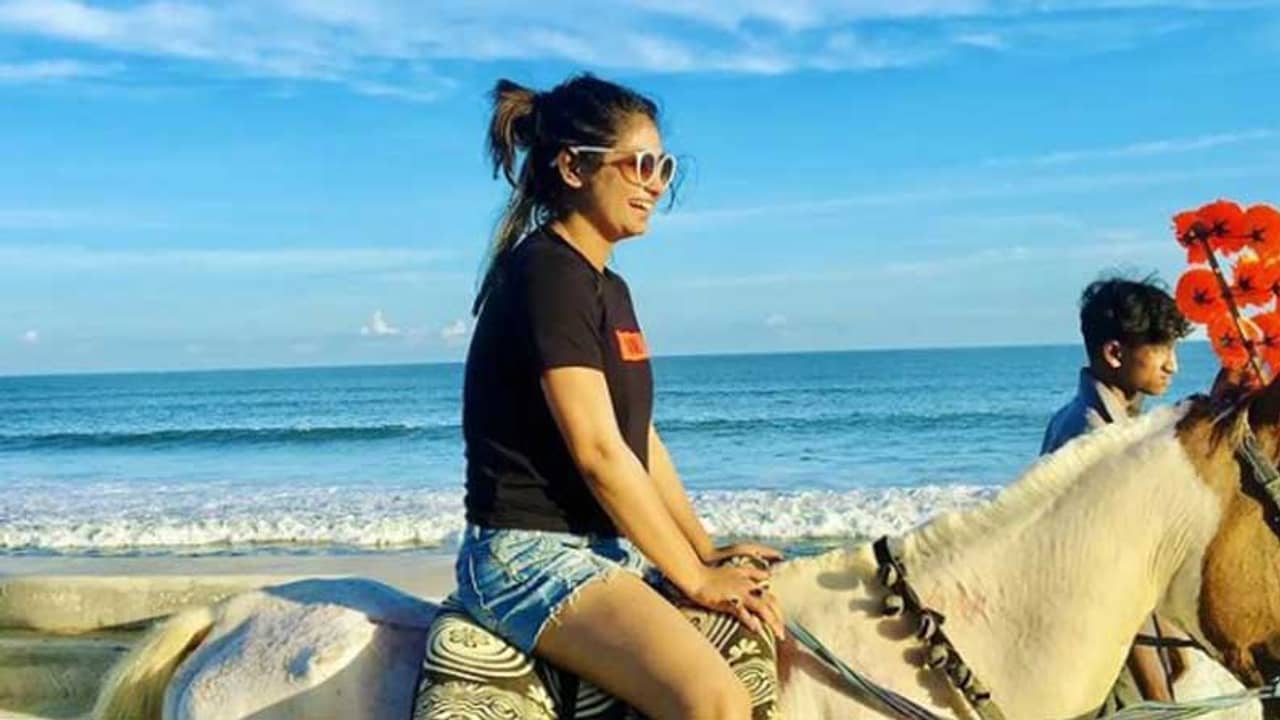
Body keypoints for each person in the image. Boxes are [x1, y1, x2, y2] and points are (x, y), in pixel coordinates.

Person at [455, 73, 785, 720]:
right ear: (573, 167)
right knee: (715, 700)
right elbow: (600, 453)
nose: (655, 184)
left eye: (663, 167)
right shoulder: (547, 275)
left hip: (604, 546)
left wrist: (703, 548)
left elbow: (639, 440)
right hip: (530, 556)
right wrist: (695, 580)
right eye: (638, 164)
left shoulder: (609, 287)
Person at [1042, 276, 1192, 706]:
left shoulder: (1082, 418)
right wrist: (1160, 697)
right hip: (1097, 649)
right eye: (1161, 349)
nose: (1173, 366)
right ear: (1114, 353)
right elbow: (1114, 587)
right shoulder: (1095, 439)